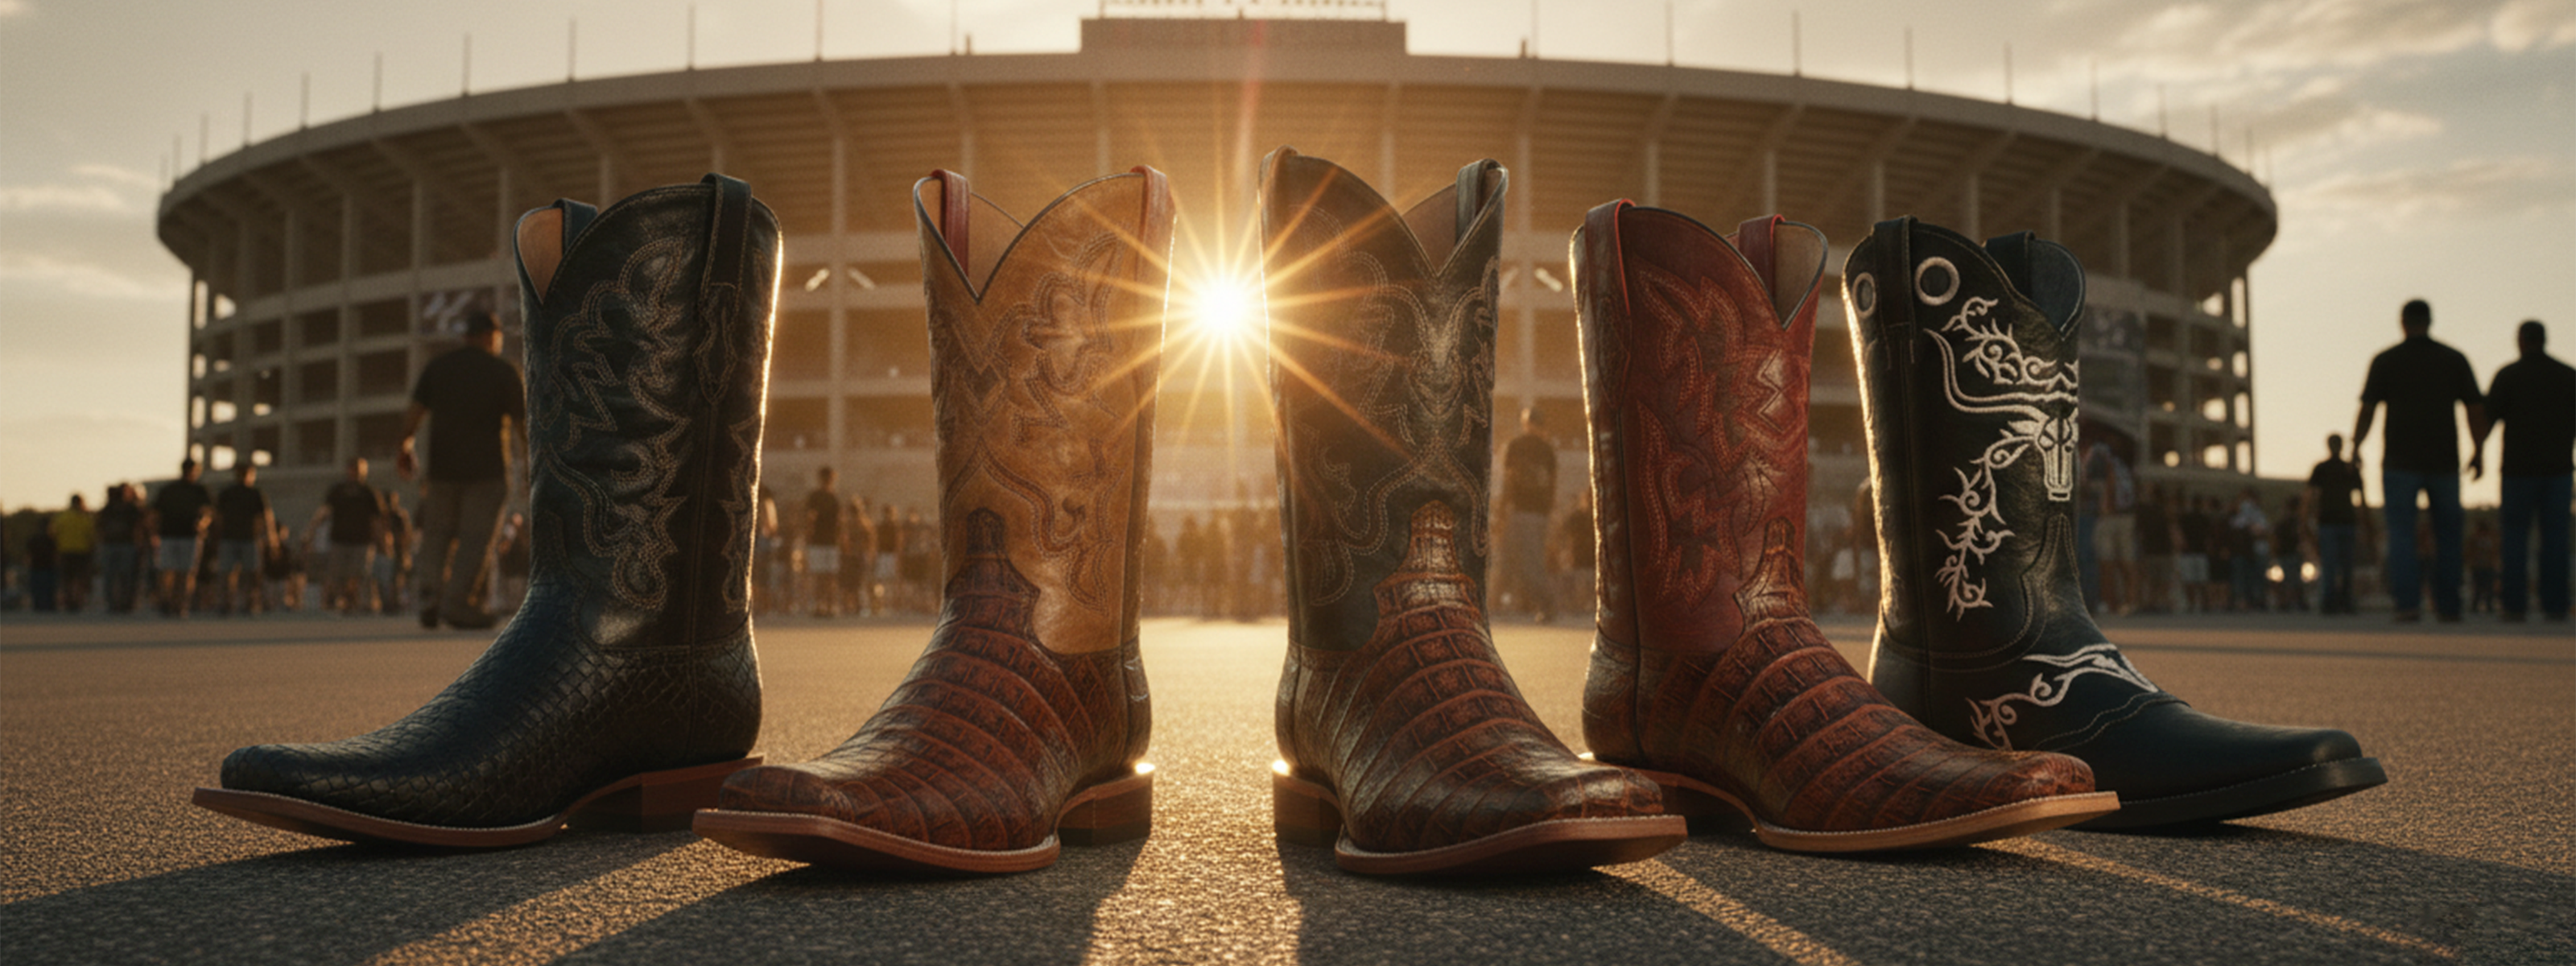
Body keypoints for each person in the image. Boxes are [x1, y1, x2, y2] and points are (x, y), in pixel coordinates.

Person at [2354, 299, 2487, 622]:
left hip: (2400, 460)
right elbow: (2473, 408)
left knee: (2401, 535)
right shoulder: (2453, 359)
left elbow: (2368, 408)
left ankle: (2408, 604)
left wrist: (2355, 446)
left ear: (2403, 323)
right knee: (2449, 536)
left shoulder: (2387, 360)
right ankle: (2449, 605)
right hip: (2443, 459)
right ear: (2430, 321)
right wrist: (2479, 450)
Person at [399, 310, 526, 630]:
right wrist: (533, 465)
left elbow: (414, 414)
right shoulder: (502, 370)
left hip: (442, 469)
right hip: (487, 472)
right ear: (489, 336)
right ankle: (456, 603)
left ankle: (429, 595)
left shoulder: (439, 367)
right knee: (475, 539)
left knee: (436, 535)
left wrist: (404, 448)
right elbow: (523, 425)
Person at [2471, 320, 2576, 621]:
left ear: (2521, 341)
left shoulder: (2509, 376)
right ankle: (2555, 606)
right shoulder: (2567, 376)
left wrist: (2477, 454)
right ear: (2544, 340)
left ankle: (2514, 605)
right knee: (2555, 540)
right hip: (2558, 469)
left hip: (2517, 470)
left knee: (2514, 539)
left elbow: (2487, 420)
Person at [1499, 406, 1557, 621]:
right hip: (1540, 513)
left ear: (1525, 423)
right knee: (1531, 559)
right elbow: (1552, 485)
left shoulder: (1516, 445)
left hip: (1520, 510)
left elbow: (1509, 480)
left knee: (1523, 561)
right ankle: (1529, 603)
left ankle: (1546, 604)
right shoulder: (1547, 449)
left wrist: (1501, 510)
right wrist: (1549, 513)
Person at [312, 457, 387, 616]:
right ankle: (345, 600)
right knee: (339, 574)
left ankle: (357, 601)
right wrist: (311, 530)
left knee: (359, 573)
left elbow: (376, 519)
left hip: (362, 540)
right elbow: (325, 511)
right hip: (340, 539)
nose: (355, 473)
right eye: (353, 469)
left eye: (359, 470)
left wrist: (382, 541)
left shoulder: (369, 493)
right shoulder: (337, 491)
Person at [2306, 433, 2367, 615]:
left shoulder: (2348, 469)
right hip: (2330, 522)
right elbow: (2312, 496)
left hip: (2343, 522)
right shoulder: (2323, 469)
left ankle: (2342, 602)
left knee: (2344, 565)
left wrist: (2365, 522)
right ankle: (2332, 602)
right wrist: (2307, 519)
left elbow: (2361, 498)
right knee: (2332, 565)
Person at [147, 458, 214, 617]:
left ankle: (181, 604)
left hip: (190, 536)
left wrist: (202, 524)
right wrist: (154, 534)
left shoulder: (200, 490)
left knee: (186, 572)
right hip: (168, 535)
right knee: (167, 571)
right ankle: (167, 602)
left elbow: (209, 512)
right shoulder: (169, 490)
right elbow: (155, 513)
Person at [213, 464, 276, 616]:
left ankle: (249, 602)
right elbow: (218, 517)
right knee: (227, 573)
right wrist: (216, 536)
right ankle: (227, 603)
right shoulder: (227, 493)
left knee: (251, 573)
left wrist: (272, 538)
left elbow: (266, 517)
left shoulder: (255, 494)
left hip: (249, 538)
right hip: (229, 537)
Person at [95, 483, 145, 613]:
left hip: (127, 545)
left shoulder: (132, 509)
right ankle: (112, 603)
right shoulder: (108, 509)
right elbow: (100, 526)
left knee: (126, 576)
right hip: (110, 545)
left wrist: (139, 544)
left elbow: (139, 527)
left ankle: (126, 603)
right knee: (110, 576)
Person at [803, 467, 844, 617]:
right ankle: (824, 606)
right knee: (824, 576)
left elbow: (839, 521)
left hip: (826, 542)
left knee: (825, 576)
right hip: (823, 542)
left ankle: (825, 606)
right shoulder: (822, 496)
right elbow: (811, 518)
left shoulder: (830, 497)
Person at [52, 493, 97, 613]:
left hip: (65, 551)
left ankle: (69, 600)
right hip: (82, 552)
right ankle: (77, 601)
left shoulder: (62, 517)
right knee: (79, 579)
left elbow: (54, 534)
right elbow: (91, 536)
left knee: (67, 580)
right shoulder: (85, 517)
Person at [2137, 483, 2178, 614]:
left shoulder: (2144, 509)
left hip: (2150, 549)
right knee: (2164, 579)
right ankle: (2163, 602)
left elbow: (2140, 531)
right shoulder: (2167, 510)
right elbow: (2172, 528)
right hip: (2164, 548)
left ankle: (2152, 602)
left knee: (2152, 580)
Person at [2467, 518, 2502, 614]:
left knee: (2488, 588)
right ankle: (2475, 606)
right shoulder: (2474, 539)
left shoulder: (2491, 539)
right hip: (2478, 567)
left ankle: (2488, 605)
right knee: (2477, 588)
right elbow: (2469, 552)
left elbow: (2495, 552)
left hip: (2487, 567)